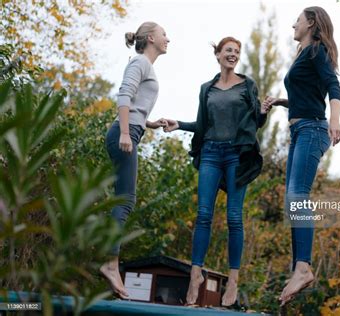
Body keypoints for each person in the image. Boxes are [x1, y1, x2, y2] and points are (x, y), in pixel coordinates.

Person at [160, 37, 267, 307]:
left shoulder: (247, 85)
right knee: (203, 215)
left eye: (236, 52)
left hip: (236, 155)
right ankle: (195, 275)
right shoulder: (206, 89)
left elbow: (255, 122)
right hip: (210, 153)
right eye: (228, 50)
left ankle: (233, 279)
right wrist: (179, 124)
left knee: (234, 217)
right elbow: (203, 124)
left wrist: (263, 111)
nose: (233, 54)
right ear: (218, 55)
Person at [262, 6, 340, 306]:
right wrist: (283, 101)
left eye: (297, 20)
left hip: (313, 130)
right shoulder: (304, 54)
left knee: (298, 195)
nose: (292, 25)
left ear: (310, 23)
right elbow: (307, 95)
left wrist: (335, 121)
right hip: (300, 129)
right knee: (291, 198)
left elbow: (333, 87)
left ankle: (303, 267)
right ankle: (300, 267)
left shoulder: (317, 51)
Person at [99, 21, 170, 300]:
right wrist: (127, 132)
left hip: (131, 131)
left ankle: (109, 260)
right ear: (151, 38)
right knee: (126, 200)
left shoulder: (145, 65)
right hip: (123, 134)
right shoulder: (139, 62)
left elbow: (136, 103)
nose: (168, 39)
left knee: (122, 199)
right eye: (164, 34)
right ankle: (110, 262)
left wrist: (148, 123)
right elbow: (124, 95)